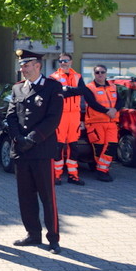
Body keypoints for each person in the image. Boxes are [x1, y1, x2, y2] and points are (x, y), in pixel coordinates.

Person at [6, 49, 64, 254]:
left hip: (41, 150)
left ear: (37, 65)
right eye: (21, 65)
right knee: (26, 196)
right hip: (22, 151)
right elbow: (11, 116)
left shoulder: (52, 87)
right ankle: (33, 234)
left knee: (47, 196)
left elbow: (53, 118)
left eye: (26, 65)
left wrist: (32, 139)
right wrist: (17, 138)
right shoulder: (17, 88)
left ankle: (53, 238)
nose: (22, 68)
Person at [49, 53, 85, 185]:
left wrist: (67, 89)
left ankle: (73, 175)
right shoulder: (54, 77)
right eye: (61, 61)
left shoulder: (78, 76)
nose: (63, 63)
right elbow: (56, 93)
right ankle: (56, 175)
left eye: (65, 60)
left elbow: (82, 91)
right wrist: (72, 91)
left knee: (73, 146)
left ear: (71, 62)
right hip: (61, 115)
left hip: (75, 115)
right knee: (58, 146)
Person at [84, 65, 124, 182]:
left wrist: (115, 110)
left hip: (112, 122)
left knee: (111, 146)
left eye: (102, 72)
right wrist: (107, 111)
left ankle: (102, 170)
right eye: (97, 72)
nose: (100, 74)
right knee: (99, 148)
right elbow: (92, 103)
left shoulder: (113, 86)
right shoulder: (89, 87)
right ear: (94, 74)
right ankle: (102, 170)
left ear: (106, 73)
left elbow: (120, 101)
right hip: (96, 122)